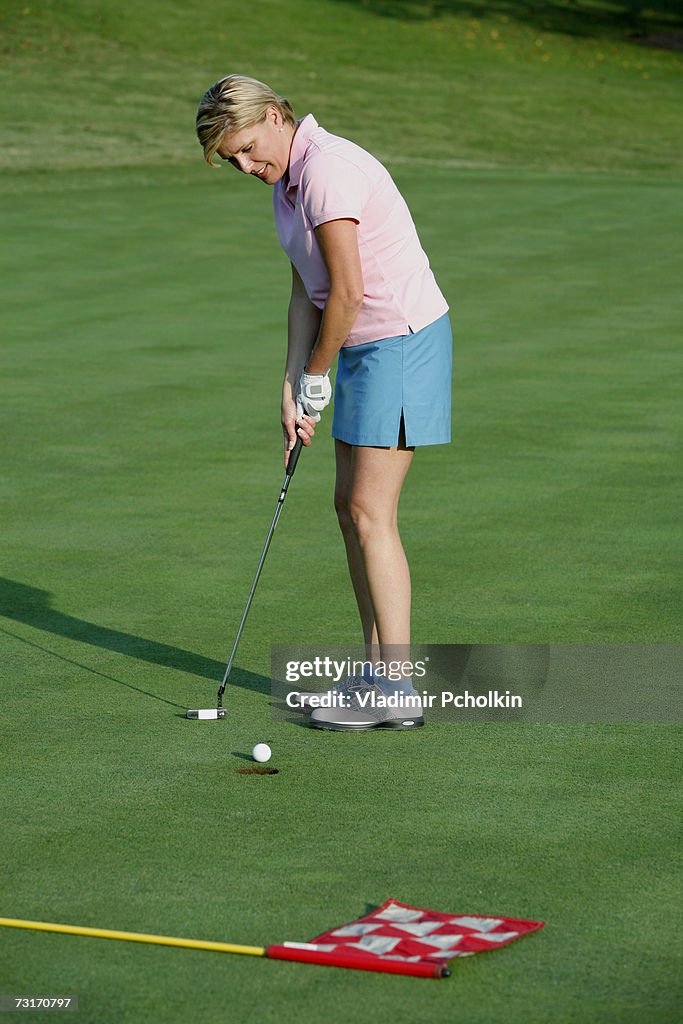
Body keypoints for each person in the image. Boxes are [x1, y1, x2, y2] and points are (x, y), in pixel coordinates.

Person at [196, 75, 452, 731]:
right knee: (350, 509)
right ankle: (376, 672)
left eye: (250, 148)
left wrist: (317, 377)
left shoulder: (327, 172)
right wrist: (290, 379)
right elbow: (302, 289)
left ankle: (394, 686)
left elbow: (347, 290)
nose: (248, 167)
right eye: (234, 161)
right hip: (365, 344)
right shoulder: (289, 184)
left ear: (278, 117)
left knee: (371, 512)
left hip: (396, 341)